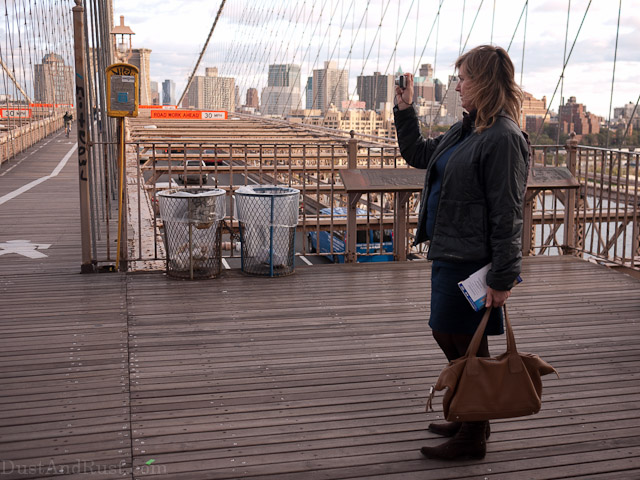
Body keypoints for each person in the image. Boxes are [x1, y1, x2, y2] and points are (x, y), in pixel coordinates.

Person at [393, 45, 529, 460]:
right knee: (448, 333)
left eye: (464, 78)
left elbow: (508, 213)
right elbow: (418, 154)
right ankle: (470, 415)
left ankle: (473, 433)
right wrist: (404, 110)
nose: (458, 85)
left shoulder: (504, 138)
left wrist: (503, 278)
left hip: (473, 259)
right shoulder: (465, 129)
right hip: (448, 251)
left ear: (484, 82)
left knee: (464, 341)